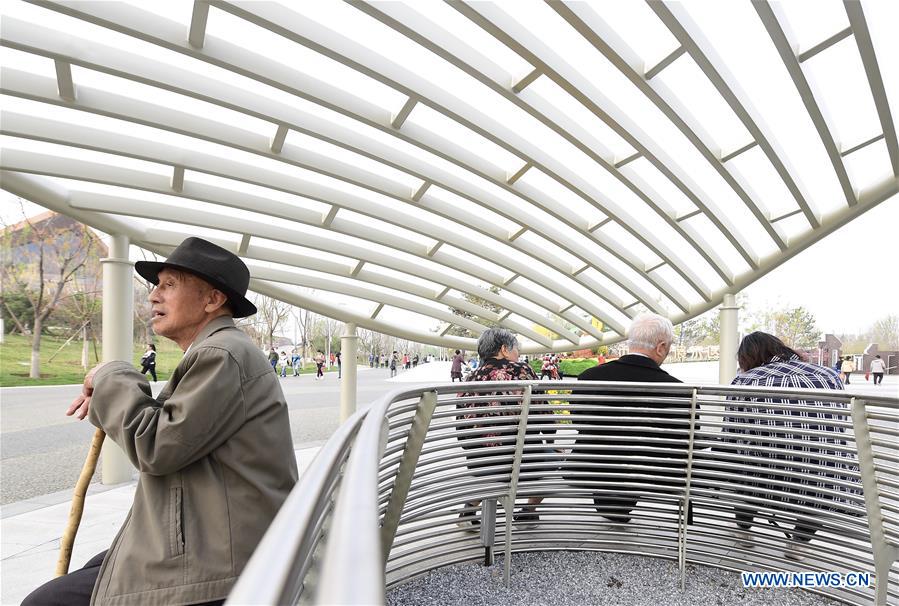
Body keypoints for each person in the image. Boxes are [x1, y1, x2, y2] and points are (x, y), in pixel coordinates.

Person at [24, 237, 298, 606]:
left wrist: (110, 375)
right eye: (156, 286)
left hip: (220, 560)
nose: (153, 296)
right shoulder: (222, 349)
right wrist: (112, 387)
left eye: (169, 285)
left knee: (46, 603)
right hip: (219, 540)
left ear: (212, 299)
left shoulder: (222, 353)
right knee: (102, 567)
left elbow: (155, 445)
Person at [721, 332, 857, 560]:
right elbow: (839, 427)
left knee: (743, 461)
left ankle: (744, 530)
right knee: (820, 462)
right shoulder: (829, 376)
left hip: (766, 480)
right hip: (825, 483)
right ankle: (799, 543)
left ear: (747, 357)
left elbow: (731, 436)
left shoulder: (746, 381)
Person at [571, 312, 691, 525]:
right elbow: (686, 439)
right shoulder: (679, 391)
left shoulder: (589, 377)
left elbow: (579, 421)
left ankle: (612, 503)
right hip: (654, 474)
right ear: (661, 347)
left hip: (592, 467)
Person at [455, 328, 555, 530]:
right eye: (516, 349)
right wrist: (551, 440)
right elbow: (545, 416)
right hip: (522, 460)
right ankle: (528, 513)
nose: (518, 353)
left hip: (480, 460)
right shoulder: (521, 371)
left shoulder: (471, 377)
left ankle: (469, 510)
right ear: (504, 349)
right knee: (555, 459)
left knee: (494, 467)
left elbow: (462, 429)